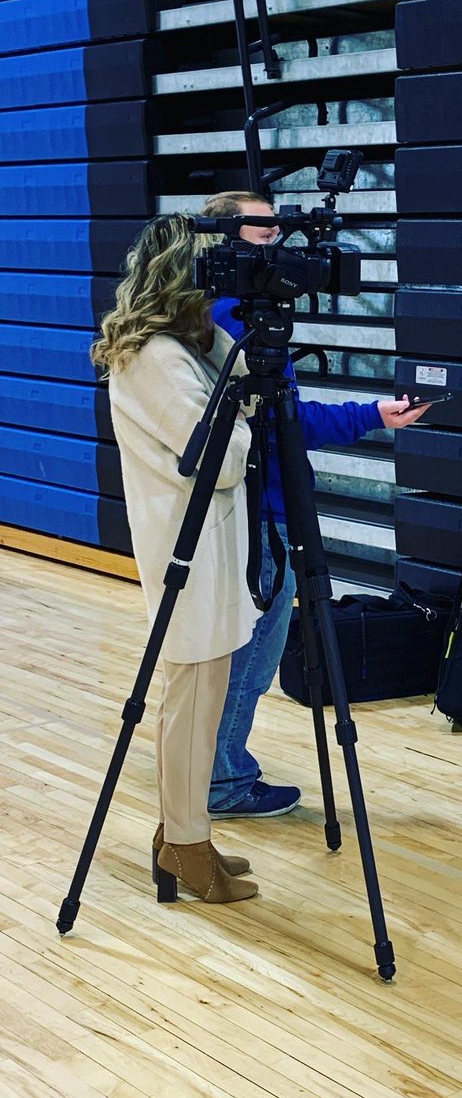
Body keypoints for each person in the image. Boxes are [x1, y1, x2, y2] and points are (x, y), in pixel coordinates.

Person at [198, 190, 429, 819]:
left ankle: (210, 772)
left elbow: (284, 418)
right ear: (225, 238)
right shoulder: (230, 323)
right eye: (264, 230)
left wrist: (373, 413)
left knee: (233, 650)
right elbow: (277, 427)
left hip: (248, 505)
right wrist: (366, 415)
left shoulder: (219, 315)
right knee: (254, 652)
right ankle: (221, 783)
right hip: (256, 510)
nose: (280, 241)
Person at [91, 214, 261, 903]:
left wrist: (227, 349)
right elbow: (218, 461)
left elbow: (232, 390)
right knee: (190, 702)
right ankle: (184, 844)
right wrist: (246, 420)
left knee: (203, 695)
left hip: (204, 545)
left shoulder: (181, 346)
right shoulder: (155, 358)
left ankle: (184, 832)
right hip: (183, 550)